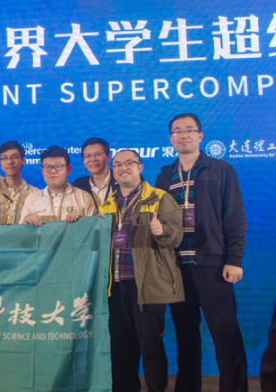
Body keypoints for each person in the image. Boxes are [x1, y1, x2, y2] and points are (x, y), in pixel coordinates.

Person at [156, 113, 248, 392]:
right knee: (185, 337)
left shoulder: (220, 170)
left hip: (213, 264)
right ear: (171, 139)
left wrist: (234, 259)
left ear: (200, 135)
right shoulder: (164, 176)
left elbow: (235, 218)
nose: (183, 135)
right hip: (176, 268)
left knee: (226, 335)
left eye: (189, 130)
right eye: (177, 131)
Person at [99, 149, 184, 392]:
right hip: (114, 285)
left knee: (151, 345)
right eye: (118, 164)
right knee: (120, 347)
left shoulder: (159, 198)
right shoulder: (107, 204)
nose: (123, 168)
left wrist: (161, 230)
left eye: (129, 163)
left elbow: (175, 236)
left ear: (140, 167)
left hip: (147, 283)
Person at [20, 146, 97, 226]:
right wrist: (26, 221)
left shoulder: (83, 197)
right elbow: (20, 231)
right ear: (42, 171)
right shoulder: (31, 199)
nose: (53, 171)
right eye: (47, 167)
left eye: (58, 166)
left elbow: (93, 229)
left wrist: (83, 221)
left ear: (68, 169)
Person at [0, 141, 39, 225]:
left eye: (14, 157)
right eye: (4, 158)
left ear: (23, 160)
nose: (10, 162)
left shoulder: (36, 194)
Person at [72, 137, 118, 209]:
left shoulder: (121, 180)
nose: (93, 159)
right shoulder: (79, 185)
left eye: (98, 154)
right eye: (88, 156)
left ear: (108, 156)